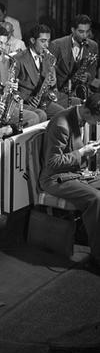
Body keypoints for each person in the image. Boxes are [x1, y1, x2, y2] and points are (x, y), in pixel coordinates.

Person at [39, 93, 100, 265]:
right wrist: (82, 152)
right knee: (96, 198)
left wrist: (86, 150)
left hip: (75, 173)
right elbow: (52, 162)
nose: (98, 123)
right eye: (98, 119)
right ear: (87, 112)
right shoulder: (61, 124)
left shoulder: (79, 116)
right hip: (55, 178)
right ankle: (97, 256)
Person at [14, 24, 64, 121]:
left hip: (42, 100)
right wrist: (27, 98)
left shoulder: (48, 57)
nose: (47, 45)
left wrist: (53, 82)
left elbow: (50, 84)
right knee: (41, 116)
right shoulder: (18, 59)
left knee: (61, 113)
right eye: (43, 41)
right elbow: (11, 88)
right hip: (24, 102)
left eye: (48, 41)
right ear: (33, 40)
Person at [49, 14, 99, 103]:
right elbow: (49, 70)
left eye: (87, 31)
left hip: (80, 91)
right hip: (59, 91)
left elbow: (92, 70)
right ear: (73, 30)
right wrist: (54, 90)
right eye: (81, 32)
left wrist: (87, 76)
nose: (85, 36)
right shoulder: (56, 44)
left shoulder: (93, 45)